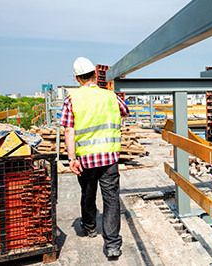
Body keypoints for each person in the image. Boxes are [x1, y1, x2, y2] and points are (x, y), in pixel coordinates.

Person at [61, 57, 129, 259]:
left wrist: (71, 158)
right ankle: (112, 245)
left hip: (85, 159)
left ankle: (90, 226)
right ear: (94, 75)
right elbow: (125, 111)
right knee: (111, 199)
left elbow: (68, 130)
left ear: (76, 78)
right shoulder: (110, 96)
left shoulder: (72, 99)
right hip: (109, 157)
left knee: (88, 193)